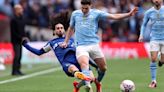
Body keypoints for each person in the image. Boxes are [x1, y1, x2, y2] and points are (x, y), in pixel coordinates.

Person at [61, 0, 138, 92]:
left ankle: (97, 82)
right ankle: (88, 85)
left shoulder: (96, 13)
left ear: (91, 6)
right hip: (81, 46)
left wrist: (128, 14)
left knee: (103, 68)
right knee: (84, 64)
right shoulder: (75, 14)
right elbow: (71, 28)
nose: (84, 10)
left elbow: (113, 16)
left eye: (86, 8)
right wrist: (66, 41)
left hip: (94, 45)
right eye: (82, 8)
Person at [22, 23, 98, 92]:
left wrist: (94, 65)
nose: (60, 29)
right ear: (54, 32)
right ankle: (80, 76)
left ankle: (77, 86)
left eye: (61, 28)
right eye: (57, 28)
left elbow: (83, 54)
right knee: (75, 70)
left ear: (64, 30)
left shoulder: (72, 40)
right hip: (67, 63)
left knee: (91, 79)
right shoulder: (52, 43)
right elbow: (39, 52)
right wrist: (26, 45)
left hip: (79, 62)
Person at [138, 0, 164, 88]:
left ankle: (161, 60)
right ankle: (153, 81)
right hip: (154, 38)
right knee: (153, 59)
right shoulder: (149, 12)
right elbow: (144, 24)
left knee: (162, 61)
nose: (156, 0)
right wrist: (141, 35)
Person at [10, 4, 26, 76]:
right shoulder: (13, 20)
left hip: (21, 40)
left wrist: (25, 37)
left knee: (20, 56)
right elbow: (13, 32)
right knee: (17, 55)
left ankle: (18, 70)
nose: (22, 10)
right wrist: (20, 37)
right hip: (15, 41)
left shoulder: (22, 18)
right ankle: (14, 71)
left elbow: (23, 30)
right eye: (20, 9)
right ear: (16, 10)